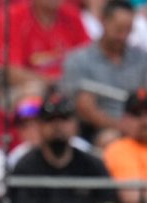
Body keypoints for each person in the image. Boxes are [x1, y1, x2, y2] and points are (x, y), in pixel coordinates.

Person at [12, 89, 119, 203]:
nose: (58, 126)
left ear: (75, 125)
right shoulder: (26, 165)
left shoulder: (92, 164)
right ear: (41, 126)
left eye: (64, 119)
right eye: (50, 120)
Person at [62, 0, 147, 138]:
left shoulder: (142, 58)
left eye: (128, 30)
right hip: (97, 130)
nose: (123, 36)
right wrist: (122, 127)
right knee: (109, 138)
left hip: (141, 126)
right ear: (103, 21)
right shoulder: (79, 60)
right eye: (118, 29)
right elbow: (85, 108)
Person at [103, 88, 147, 203]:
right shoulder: (118, 149)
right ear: (124, 120)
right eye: (137, 114)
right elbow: (133, 197)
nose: (144, 120)